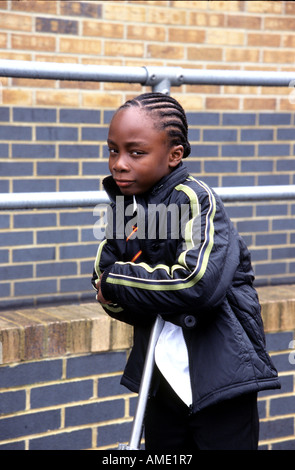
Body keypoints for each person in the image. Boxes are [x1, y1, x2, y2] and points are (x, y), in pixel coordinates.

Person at [92, 92, 280, 451]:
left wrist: (121, 281)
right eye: (112, 150)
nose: (118, 163)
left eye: (136, 152)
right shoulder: (123, 209)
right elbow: (103, 285)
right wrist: (121, 288)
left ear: (174, 155)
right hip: (161, 383)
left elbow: (197, 283)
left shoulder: (197, 200)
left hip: (221, 384)